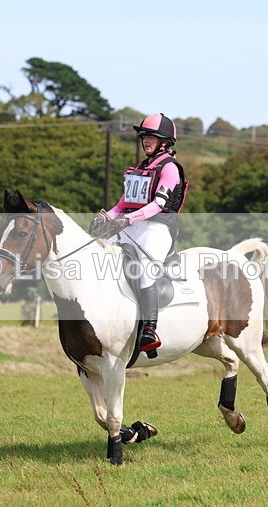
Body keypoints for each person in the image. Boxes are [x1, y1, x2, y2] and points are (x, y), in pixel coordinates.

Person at [89, 113, 189, 353]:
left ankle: (149, 328)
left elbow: (158, 205)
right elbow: (122, 204)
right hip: (131, 225)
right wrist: (107, 216)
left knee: (144, 269)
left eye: (151, 137)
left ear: (165, 142)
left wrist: (128, 219)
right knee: (98, 255)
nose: (145, 140)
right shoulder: (141, 168)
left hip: (158, 227)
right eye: (144, 136)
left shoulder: (171, 168)